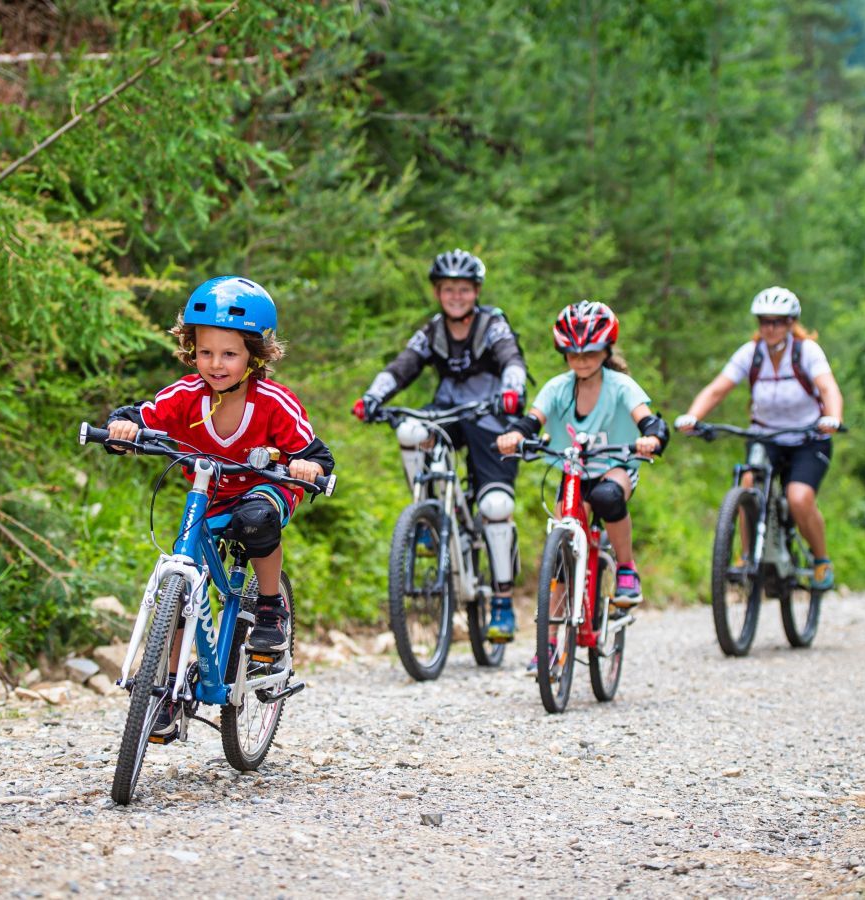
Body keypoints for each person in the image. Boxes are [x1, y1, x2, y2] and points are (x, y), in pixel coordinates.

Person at [106, 276, 335, 738]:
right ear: (191, 350)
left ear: (254, 354)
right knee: (182, 573)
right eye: (205, 352)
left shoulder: (274, 403)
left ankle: (269, 607)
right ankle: (168, 690)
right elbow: (140, 415)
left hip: (265, 489)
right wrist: (121, 429)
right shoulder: (184, 396)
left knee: (256, 519)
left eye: (229, 354)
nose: (215, 364)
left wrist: (307, 466)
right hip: (208, 495)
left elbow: (316, 454)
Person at [352, 249, 528, 642]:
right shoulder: (432, 331)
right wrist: (372, 397)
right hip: (446, 414)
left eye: (463, 289)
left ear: (476, 291)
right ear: (437, 292)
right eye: (448, 289)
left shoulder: (493, 325)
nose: (456, 296)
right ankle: (429, 514)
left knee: (495, 507)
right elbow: (402, 366)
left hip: (491, 418)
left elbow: (512, 360)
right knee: (410, 431)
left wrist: (512, 391)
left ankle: (502, 602)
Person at [497, 300, 668, 620]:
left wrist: (652, 438)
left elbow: (649, 421)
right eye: (573, 354)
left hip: (615, 467)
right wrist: (515, 436)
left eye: (589, 353)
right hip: (574, 470)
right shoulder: (557, 388)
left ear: (606, 351)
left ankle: (626, 568)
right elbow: (531, 421)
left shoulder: (620, 386)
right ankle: (549, 640)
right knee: (561, 551)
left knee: (607, 496)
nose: (581, 360)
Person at [673, 286, 843, 589]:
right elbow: (717, 389)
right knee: (748, 483)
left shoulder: (806, 351)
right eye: (764, 321)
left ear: (791, 323)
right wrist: (692, 417)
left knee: (799, 497)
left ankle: (821, 560)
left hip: (808, 438)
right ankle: (747, 555)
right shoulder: (751, 354)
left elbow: (828, 388)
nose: (770, 328)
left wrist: (832, 418)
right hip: (765, 435)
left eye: (777, 322)